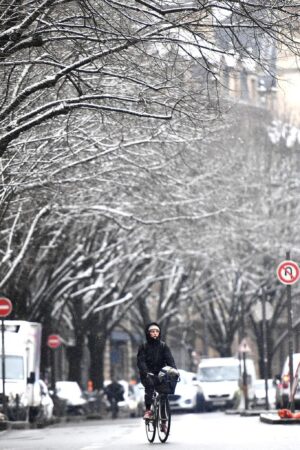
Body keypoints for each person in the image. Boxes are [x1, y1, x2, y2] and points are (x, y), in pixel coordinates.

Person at [137, 322, 178, 422]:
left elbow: (170, 360)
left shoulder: (164, 346)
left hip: (160, 374)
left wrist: (174, 370)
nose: (155, 333)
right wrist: (145, 372)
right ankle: (148, 411)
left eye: (157, 331)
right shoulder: (143, 347)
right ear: (148, 333)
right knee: (149, 387)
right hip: (147, 374)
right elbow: (140, 361)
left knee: (164, 393)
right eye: (152, 331)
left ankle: (164, 421)